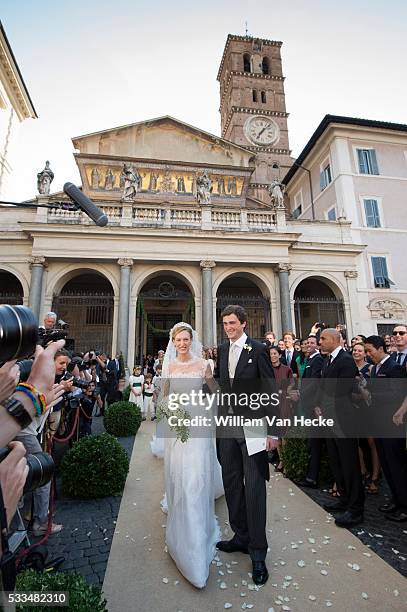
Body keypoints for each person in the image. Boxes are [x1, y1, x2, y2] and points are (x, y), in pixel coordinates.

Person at [215, 305, 277, 587]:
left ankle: (258, 553)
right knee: (230, 483)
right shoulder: (222, 349)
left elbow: (271, 390)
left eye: (232, 323)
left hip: (253, 425)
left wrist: (274, 431)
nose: (228, 327)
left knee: (253, 488)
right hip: (226, 426)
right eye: (225, 323)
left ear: (243, 323)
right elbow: (221, 386)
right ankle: (240, 536)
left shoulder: (259, 349)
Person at [162, 322, 221, 588]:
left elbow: (215, 394)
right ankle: (182, 535)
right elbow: (163, 399)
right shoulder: (170, 367)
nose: (183, 344)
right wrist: (172, 415)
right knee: (180, 479)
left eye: (186, 339)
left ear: (191, 340)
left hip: (199, 428)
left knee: (195, 479)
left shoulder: (203, 365)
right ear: (173, 342)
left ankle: (197, 545)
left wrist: (203, 411)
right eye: (179, 340)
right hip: (177, 430)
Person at [317, 328, 365, 527]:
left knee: (349, 463)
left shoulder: (345, 360)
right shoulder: (328, 360)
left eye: (323, 338)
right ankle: (344, 499)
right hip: (329, 418)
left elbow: (342, 389)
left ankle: (355, 509)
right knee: (337, 461)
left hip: (343, 419)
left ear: (335, 340)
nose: (320, 342)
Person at [365, 335, 407, 522]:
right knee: (387, 465)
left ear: (380, 348)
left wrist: (372, 393)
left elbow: (396, 393)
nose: (368, 354)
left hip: (392, 423)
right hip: (379, 422)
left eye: (369, 351)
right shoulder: (376, 369)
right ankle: (395, 499)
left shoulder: (394, 367)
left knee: (396, 465)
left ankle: (405, 505)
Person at [296, 336, 325, 488]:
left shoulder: (318, 359)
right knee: (311, 442)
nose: (308, 345)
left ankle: (312, 478)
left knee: (314, 443)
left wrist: (300, 394)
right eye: (307, 343)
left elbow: (315, 383)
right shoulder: (310, 360)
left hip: (314, 407)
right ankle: (310, 476)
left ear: (318, 345)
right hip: (308, 406)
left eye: (312, 343)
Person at [269, 346, 295, 474]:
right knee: (276, 434)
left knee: (284, 434)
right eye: (271, 354)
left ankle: (287, 463)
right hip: (271, 403)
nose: (273, 356)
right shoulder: (266, 369)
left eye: (275, 353)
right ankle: (281, 460)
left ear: (279, 355)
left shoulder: (287, 369)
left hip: (284, 402)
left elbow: (292, 384)